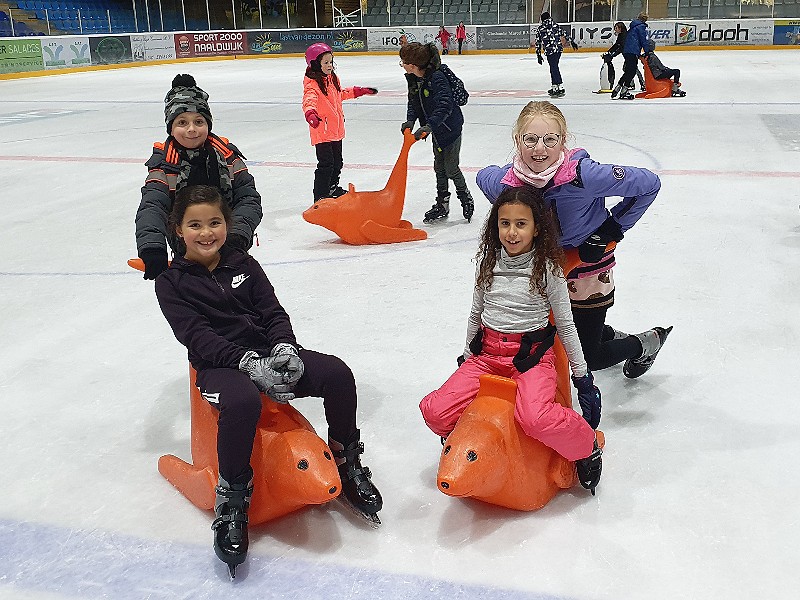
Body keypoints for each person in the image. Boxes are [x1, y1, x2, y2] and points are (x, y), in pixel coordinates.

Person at [155, 184, 384, 573]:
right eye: (195, 225)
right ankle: (231, 499)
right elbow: (198, 337)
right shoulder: (171, 283)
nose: (206, 232)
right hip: (218, 367)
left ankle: (346, 459)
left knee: (337, 374)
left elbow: (272, 311)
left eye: (215, 222)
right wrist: (246, 364)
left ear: (227, 224)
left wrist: (284, 349)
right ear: (178, 230)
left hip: (267, 354)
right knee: (242, 401)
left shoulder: (243, 264)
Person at [420, 185, 603, 494]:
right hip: (487, 356)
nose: (512, 232)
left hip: (530, 359)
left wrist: (582, 377)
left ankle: (587, 447)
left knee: (535, 418)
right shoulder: (488, 263)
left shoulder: (547, 269)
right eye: (505, 223)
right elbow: (476, 313)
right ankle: (466, 436)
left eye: (521, 224)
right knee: (435, 410)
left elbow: (567, 326)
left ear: (536, 228)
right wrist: (466, 357)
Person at [476, 101, 672, 385]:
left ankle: (648, 342)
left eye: (549, 140)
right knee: (555, 335)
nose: (539, 149)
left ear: (563, 140)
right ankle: (603, 331)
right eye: (530, 139)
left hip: (588, 268)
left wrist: (611, 229)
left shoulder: (585, 176)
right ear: (517, 140)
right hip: (545, 269)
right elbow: (484, 176)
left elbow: (649, 184)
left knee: (588, 357)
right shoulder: (508, 184)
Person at [135, 74, 262, 280]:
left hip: (229, 249)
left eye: (199, 121)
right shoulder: (165, 163)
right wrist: (152, 247)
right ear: (171, 127)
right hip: (186, 253)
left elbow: (248, 198)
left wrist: (236, 236)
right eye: (182, 122)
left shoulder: (227, 156)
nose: (192, 129)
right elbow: (153, 205)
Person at [400, 42, 474, 224]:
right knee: (439, 168)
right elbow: (414, 102)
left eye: (403, 61)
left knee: (451, 167)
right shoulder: (415, 78)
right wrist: (411, 120)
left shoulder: (437, 78)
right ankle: (442, 203)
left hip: (450, 128)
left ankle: (466, 198)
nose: (401, 64)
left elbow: (445, 105)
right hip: (435, 130)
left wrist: (429, 126)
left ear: (412, 65)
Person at [302, 42, 378, 203]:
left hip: (336, 130)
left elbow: (340, 95)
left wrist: (359, 91)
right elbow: (309, 100)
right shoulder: (312, 84)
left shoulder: (332, 79)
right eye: (326, 63)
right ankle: (321, 196)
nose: (330, 66)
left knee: (337, 162)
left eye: (331, 62)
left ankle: (332, 187)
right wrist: (311, 114)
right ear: (315, 64)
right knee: (326, 164)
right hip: (322, 130)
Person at [534, 11, 579, 98]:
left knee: (554, 67)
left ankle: (560, 86)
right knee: (553, 67)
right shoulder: (555, 25)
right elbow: (565, 34)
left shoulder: (541, 28)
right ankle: (554, 86)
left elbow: (538, 42)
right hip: (558, 50)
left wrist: (538, 55)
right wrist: (572, 42)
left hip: (550, 51)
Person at [613, 11, 649, 100]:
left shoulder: (633, 26)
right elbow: (643, 40)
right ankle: (624, 90)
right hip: (633, 51)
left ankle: (618, 87)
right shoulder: (641, 27)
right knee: (632, 71)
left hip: (627, 51)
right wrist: (647, 51)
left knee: (628, 71)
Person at [602, 22, 645, 92]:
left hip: (631, 53)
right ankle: (632, 83)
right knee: (629, 69)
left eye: (616, 28)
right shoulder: (621, 35)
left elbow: (621, 47)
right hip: (628, 54)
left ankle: (640, 83)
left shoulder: (624, 35)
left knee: (632, 70)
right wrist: (609, 52)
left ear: (620, 28)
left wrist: (612, 54)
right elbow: (616, 45)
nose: (615, 30)